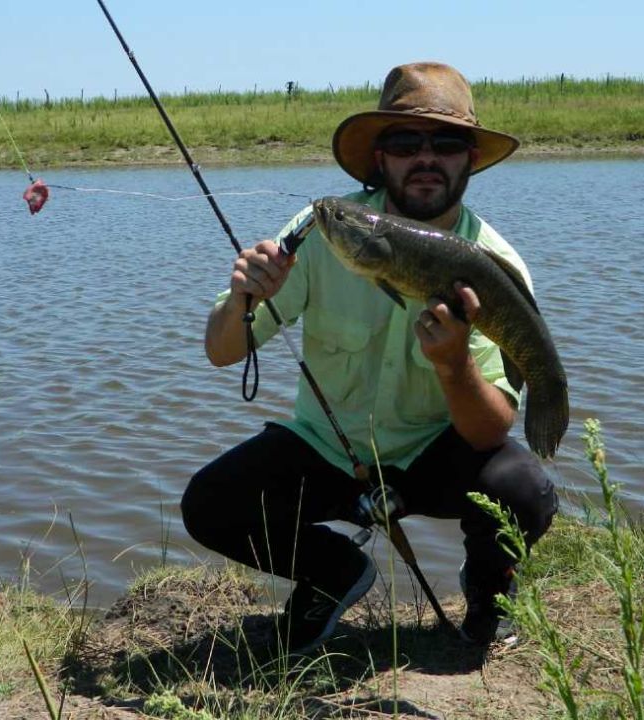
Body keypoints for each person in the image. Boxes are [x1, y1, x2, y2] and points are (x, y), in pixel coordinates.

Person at [181, 62, 558, 654]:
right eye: (406, 142)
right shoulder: (326, 231)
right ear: (381, 157)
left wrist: (454, 364)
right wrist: (242, 298)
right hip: (332, 448)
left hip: (437, 453)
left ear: (469, 159)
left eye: (447, 143)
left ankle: (489, 601)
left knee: (522, 487)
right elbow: (221, 351)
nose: (426, 158)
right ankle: (333, 574)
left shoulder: (492, 261)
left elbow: (489, 430)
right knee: (210, 504)